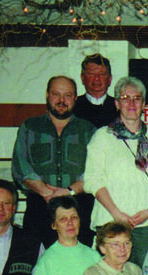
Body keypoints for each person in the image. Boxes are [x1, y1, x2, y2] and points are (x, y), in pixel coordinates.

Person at [85, 76, 148, 267]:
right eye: (125, 98)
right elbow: (93, 180)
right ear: (117, 104)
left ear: (143, 104)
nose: (131, 103)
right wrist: (116, 213)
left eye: (137, 98)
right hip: (110, 220)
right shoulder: (102, 137)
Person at [11, 75, 97, 247]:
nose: (61, 100)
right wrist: (46, 193)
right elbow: (20, 167)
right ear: (47, 95)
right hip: (39, 208)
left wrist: (69, 191)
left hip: (79, 208)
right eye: (56, 94)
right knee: (37, 258)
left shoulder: (89, 130)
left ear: (75, 98)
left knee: (79, 260)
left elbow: (95, 170)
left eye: (67, 95)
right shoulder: (30, 127)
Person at [73, 53, 117, 128]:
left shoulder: (119, 107)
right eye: (91, 74)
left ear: (109, 79)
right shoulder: (73, 106)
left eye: (102, 74)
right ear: (83, 78)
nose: (97, 78)